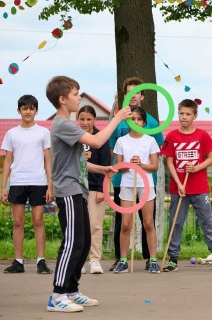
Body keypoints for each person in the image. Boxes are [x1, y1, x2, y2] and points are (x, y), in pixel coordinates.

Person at [45, 75, 131, 312]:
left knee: (82, 244)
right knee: (72, 242)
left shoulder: (68, 126)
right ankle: (57, 295)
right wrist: (117, 118)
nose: (78, 97)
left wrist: (102, 169)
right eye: (75, 94)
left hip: (78, 190)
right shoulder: (63, 124)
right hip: (69, 191)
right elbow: (96, 141)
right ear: (63, 99)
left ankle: (71, 290)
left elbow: (79, 159)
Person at [161, 99, 212, 272]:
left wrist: (196, 167)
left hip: (199, 188)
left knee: (207, 221)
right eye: (181, 113)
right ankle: (173, 258)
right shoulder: (172, 136)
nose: (184, 117)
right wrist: (178, 183)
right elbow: (169, 161)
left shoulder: (202, 135)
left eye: (188, 114)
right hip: (179, 189)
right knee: (176, 222)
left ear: (195, 116)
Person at [108, 77, 164, 272]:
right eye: (133, 119)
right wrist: (125, 165)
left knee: (148, 222)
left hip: (146, 182)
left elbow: (156, 163)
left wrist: (142, 165)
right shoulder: (121, 135)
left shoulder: (151, 136)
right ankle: (122, 259)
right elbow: (116, 162)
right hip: (125, 183)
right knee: (125, 223)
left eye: (139, 120)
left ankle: (153, 259)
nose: (136, 122)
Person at [0, 94, 54, 275]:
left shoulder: (43, 132)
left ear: (36, 111)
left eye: (31, 108)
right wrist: (3, 187)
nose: (28, 111)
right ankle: (18, 261)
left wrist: (50, 184)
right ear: (19, 111)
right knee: (18, 222)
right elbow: (7, 161)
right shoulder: (11, 133)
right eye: (25, 108)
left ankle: (41, 261)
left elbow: (48, 160)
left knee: (38, 220)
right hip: (17, 182)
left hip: (38, 181)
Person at [77, 105, 111, 274]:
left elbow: (105, 164)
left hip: (95, 189)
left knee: (95, 225)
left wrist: (100, 189)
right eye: (82, 119)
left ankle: (95, 260)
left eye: (88, 119)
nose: (85, 122)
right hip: (76, 188)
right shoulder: (75, 137)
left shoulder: (100, 138)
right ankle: (79, 260)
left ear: (94, 120)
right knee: (78, 226)